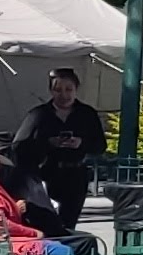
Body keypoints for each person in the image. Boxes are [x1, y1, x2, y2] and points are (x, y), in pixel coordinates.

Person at [11, 68, 108, 239]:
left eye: (68, 89)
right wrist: (47, 143)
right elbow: (18, 146)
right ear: (51, 91)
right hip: (46, 174)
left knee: (68, 223)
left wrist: (81, 143)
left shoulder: (87, 114)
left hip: (75, 175)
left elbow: (100, 145)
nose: (64, 95)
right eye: (58, 90)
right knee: (46, 222)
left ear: (76, 89)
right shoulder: (39, 114)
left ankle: (65, 252)